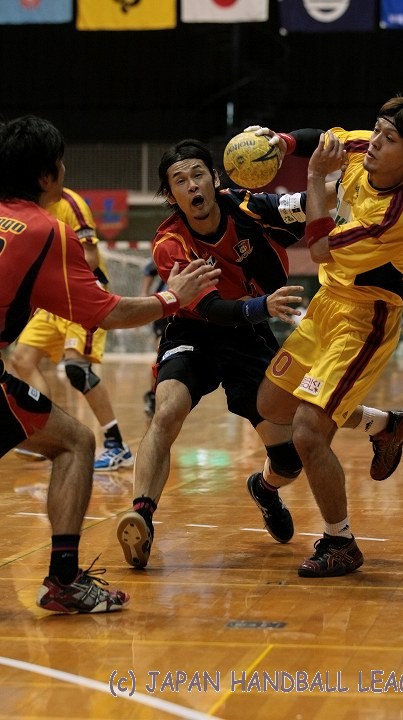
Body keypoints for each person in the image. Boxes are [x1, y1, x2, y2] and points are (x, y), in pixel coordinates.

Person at [115, 136, 403, 570]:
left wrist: (355, 182)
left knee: (289, 456)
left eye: (198, 174)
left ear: (215, 180)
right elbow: (210, 308)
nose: (192, 185)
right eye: (180, 180)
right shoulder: (170, 244)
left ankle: (266, 488)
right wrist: (261, 306)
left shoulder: (248, 206)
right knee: (167, 411)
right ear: (171, 195)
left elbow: (304, 204)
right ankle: (141, 516)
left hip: (248, 336)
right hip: (196, 332)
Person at [0, 114, 220, 613]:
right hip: (72, 302)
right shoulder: (45, 230)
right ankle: (64, 581)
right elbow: (108, 311)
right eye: (61, 164)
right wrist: (172, 298)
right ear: (48, 175)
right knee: (75, 443)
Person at [255, 90, 403, 578]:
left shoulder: (400, 212)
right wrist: (280, 142)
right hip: (328, 302)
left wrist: (314, 177)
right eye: (377, 130)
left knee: (307, 430)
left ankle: (340, 542)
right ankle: (385, 426)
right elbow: (323, 140)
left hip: (365, 318)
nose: (374, 142)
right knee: (272, 404)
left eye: (389, 139)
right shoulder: (367, 146)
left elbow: (318, 248)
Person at [9, 187, 133, 471]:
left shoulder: (70, 204)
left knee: (78, 370)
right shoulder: (26, 208)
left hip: (82, 296)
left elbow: (90, 257)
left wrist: (48, 276)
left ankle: (117, 446)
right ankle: (43, 432)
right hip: (51, 300)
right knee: (22, 358)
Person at [141, 258, 167, 417]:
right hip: (168, 306)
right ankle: (152, 395)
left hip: (194, 309)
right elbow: (149, 270)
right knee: (161, 352)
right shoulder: (171, 248)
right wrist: (144, 294)